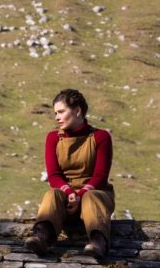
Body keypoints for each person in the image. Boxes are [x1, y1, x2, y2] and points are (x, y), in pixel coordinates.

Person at [25, 89, 114, 258]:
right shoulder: (53, 138)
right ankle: (41, 237)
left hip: (96, 193)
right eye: (55, 113)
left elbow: (101, 175)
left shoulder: (101, 137)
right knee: (52, 194)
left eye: (61, 112)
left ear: (78, 111)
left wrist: (80, 194)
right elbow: (53, 175)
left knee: (91, 197)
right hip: (66, 196)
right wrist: (69, 193)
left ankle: (98, 242)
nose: (57, 117)